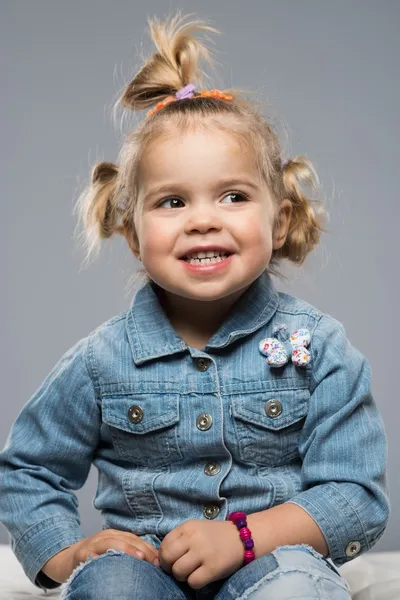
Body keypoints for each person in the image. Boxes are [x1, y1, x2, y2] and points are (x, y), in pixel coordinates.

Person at [0, 12, 389, 600]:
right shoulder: (104, 359)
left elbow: (356, 495)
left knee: (294, 593)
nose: (203, 219)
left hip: (274, 563)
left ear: (278, 222)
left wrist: (245, 537)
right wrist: (65, 553)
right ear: (132, 234)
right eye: (173, 201)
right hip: (144, 569)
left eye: (233, 195)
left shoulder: (322, 349)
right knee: (110, 592)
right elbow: (28, 468)